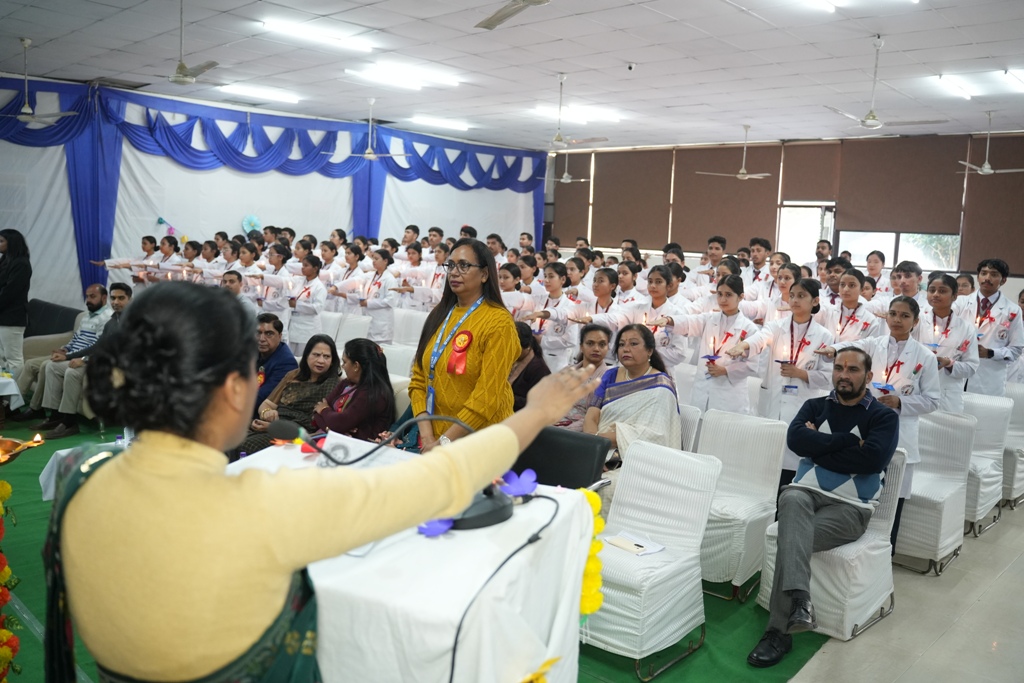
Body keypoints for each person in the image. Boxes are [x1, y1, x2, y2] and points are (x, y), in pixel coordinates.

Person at [45, 280, 599, 681]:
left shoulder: (78, 474)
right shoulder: (262, 507)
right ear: (238, 390)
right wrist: (536, 411)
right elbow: (443, 480)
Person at [747, 349, 900, 669]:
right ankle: (798, 604)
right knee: (789, 496)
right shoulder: (815, 406)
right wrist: (848, 443)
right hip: (805, 495)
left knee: (792, 536)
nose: (844, 374)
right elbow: (796, 442)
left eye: (853, 369)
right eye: (839, 368)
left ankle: (778, 631)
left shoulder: (883, 417)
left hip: (851, 509)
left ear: (868, 377)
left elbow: (872, 459)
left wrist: (821, 446)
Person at [821, 295, 941, 547]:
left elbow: (932, 401)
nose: (897, 319)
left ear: (915, 321)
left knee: (892, 498)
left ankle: (886, 552)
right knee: (858, 491)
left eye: (904, 315)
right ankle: (854, 547)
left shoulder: (925, 357)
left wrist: (900, 403)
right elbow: (852, 346)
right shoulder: (874, 345)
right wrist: (834, 349)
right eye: (893, 314)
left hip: (902, 432)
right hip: (865, 429)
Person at [408, 238, 519, 451]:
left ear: (485, 274)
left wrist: (444, 442)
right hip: (437, 440)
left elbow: (487, 397)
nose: (454, 272)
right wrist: (429, 438)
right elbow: (419, 380)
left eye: (464, 265)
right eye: (451, 265)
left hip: (483, 441)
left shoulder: (499, 322)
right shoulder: (439, 314)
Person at [725, 279, 835, 482]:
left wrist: (801, 373)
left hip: (801, 403)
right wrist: (745, 346)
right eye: (792, 295)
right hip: (773, 400)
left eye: (801, 296)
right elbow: (760, 338)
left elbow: (829, 378)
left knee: (792, 463)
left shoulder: (824, 335)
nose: (794, 300)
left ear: (815, 301)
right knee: (767, 459)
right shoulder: (776, 327)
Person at [584, 324, 681, 511]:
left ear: (649, 351)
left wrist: (600, 445)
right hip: (598, 446)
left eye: (633, 344)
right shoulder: (610, 375)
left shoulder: (660, 385)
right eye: (621, 344)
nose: (625, 349)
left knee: (605, 486)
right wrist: (592, 445)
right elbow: (592, 413)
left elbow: (654, 435)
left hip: (636, 460)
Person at [651, 275, 761, 416]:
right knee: (699, 430)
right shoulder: (709, 319)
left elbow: (752, 365)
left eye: (728, 295)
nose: (722, 299)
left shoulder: (750, 329)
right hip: (703, 388)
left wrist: (726, 370)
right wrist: (669, 320)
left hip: (729, 394)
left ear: (740, 297)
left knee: (724, 432)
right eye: (720, 294)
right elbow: (689, 322)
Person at [40, 284, 132, 439]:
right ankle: (56, 416)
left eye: (121, 298)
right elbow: (99, 346)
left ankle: (69, 423)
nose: (116, 302)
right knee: (54, 366)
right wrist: (69, 356)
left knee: (73, 372)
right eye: (113, 298)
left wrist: (85, 360)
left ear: (130, 299)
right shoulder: (112, 322)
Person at [13, 284, 112, 424]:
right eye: (87, 296)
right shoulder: (87, 316)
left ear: (104, 298)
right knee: (30, 364)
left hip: (78, 357)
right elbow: (76, 338)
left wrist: (69, 356)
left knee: (47, 365)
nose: (88, 300)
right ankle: (12, 406)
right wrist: (64, 349)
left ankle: (39, 410)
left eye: (93, 296)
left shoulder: (106, 319)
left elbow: (96, 346)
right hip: (70, 353)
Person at [236, 334, 340, 460]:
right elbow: (266, 405)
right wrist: (267, 413)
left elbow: (314, 425)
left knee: (246, 445)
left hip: (297, 436)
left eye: (326, 356)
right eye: (316, 355)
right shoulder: (293, 375)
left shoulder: (334, 384)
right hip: (273, 423)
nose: (321, 361)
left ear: (333, 360)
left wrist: (274, 427)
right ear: (306, 355)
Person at [913, 273, 978, 413]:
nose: (935, 294)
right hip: (917, 389)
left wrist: (949, 363)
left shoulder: (966, 328)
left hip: (948, 393)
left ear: (954, 296)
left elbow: (971, 367)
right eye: (931, 290)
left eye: (942, 291)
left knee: (946, 434)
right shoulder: (917, 322)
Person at [960, 259, 1023, 397]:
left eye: (994, 274)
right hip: (957, 374)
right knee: (951, 417)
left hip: (988, 379)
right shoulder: (960, 303)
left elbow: (1016, 349)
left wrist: (990, 353)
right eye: (984, 273)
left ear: (1003, 280)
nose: (987, 278)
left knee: (985, 415)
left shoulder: (1012, 310)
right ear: (978, 277)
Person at [310, 338, 395, 441]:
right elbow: (317, 410)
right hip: (331, 440)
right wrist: (334, 428)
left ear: (356, 366)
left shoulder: (373, 394)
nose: (343, 366)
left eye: (345, 362)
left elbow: (338, 421)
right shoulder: (346, 383)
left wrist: (324, 411)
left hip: (357, 449)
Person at [555, 324, 614, 431]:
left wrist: (563, 430)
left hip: (576, 432)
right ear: (581, 346)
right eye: (590, 343)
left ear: (607, 348)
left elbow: (595, 418)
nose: (596, 349)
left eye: (602, 344)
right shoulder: (567, 371)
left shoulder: (609, 378)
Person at [0, 229, 31, 380]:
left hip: (12, 317)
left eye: (1, 241)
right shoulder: (5, 259)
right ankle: (4, 391)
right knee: (2, 358)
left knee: (13, 359)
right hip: (2, 315)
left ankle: (14, 395)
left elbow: (10, 292)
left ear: (11, 243)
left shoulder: (21, 264)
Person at [254, 313, 298, 415]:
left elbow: (261, 397)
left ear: (279, 336)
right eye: (258, 333)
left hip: (260, 416)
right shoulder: (251, 352)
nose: (262, 339)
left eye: (269, 334)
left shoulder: (286, 363)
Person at [358, 249, 400, 344]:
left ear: (385, 261)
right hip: (369, 319)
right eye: (373, 258)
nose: (373, 261)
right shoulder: (371, 276)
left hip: (381, 323)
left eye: (376, 259)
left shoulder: (390, 279)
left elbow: (390, 300)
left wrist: (368, 303)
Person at [510, 322, 551, 411]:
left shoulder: (539, 369)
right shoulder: (512, 359)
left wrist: (507, 397)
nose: (511, 353)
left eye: (515, 350)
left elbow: (540, 403)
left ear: (527, 346)